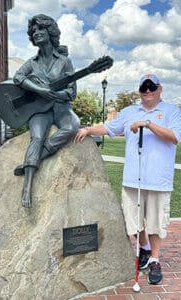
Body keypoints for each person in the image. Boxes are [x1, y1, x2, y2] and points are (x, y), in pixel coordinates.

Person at [74, 74, 181, 285]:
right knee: (135, 221)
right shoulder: (129, 112)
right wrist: (87, 130)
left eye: (152, 86)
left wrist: (147, 124)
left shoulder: (171, 111)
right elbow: (108, 128)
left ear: (160, 89)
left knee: (156, 223)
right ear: (139, 90)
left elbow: (175, 137)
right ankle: (144, 249)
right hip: (133, 178)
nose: (147, 90)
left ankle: (155, 260)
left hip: (158, 180)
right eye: (144, 87)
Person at [13, 14, 80, 208]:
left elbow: (71, 92)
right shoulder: (31, 63)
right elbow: (18, 77)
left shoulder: (64, 61)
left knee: (72, 126)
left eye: (40, 30)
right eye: (33, 32)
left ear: (50, 32)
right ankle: (26, 188)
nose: (36, 34)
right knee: (37, 136)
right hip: (39, 109)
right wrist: (39, 90)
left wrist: (56, 95)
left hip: (60, 107)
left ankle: (35, 159)